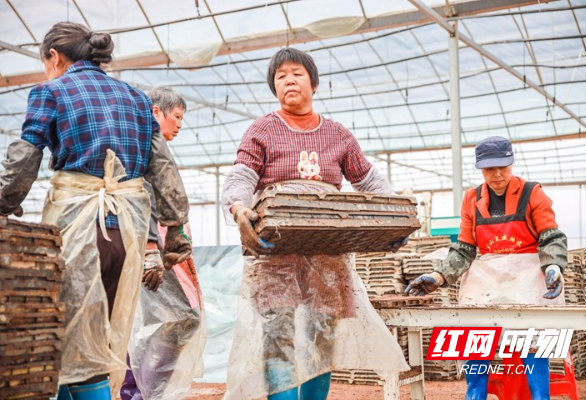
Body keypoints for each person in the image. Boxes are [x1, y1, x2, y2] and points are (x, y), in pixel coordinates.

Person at [0, 22, 191, 400]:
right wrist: (176, 229)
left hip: (80, 230)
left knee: (75, 340)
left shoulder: (50, 92)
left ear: (54, 56)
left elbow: (24, 160)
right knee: (97, 334)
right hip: (128, 235)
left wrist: (3, 203)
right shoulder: (136, 99)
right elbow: (163, 168)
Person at [221, 47, 409, 400]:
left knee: (323, 336)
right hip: (275, 252)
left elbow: (370, 182)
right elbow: (241, 176)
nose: (288, 80)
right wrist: (237, 208)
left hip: (328, 253)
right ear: (273, 87)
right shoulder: (261, 129)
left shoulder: (338, 135)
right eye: (280, 76)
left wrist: (395, 220)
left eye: (297, 73)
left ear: (314, 83)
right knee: (278, 333)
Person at [406, 136, 567, 400]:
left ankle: (540, 396)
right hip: (490, 277)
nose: (497, 174)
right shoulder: (472, 199)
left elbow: (551, 236)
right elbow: (465, 249)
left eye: (503, 166)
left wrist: (553, 266)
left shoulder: (532, 193)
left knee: (534, 340)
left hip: (529, 277)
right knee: (470, 333)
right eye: (490, 168)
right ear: (481, 168)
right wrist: (439, 275)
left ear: (511, 163)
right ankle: (475, 393)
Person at [120, 87, 206, 400]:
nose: (180, 124)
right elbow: (147, 196)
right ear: (157, 112)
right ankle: (147, 391)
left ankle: (138, 391)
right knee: (182, 319)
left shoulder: (139, 142)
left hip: (151, 244)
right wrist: (155, 248)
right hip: (153, 246)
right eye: (177, 117)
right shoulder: (146, 144)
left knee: (146, 322)